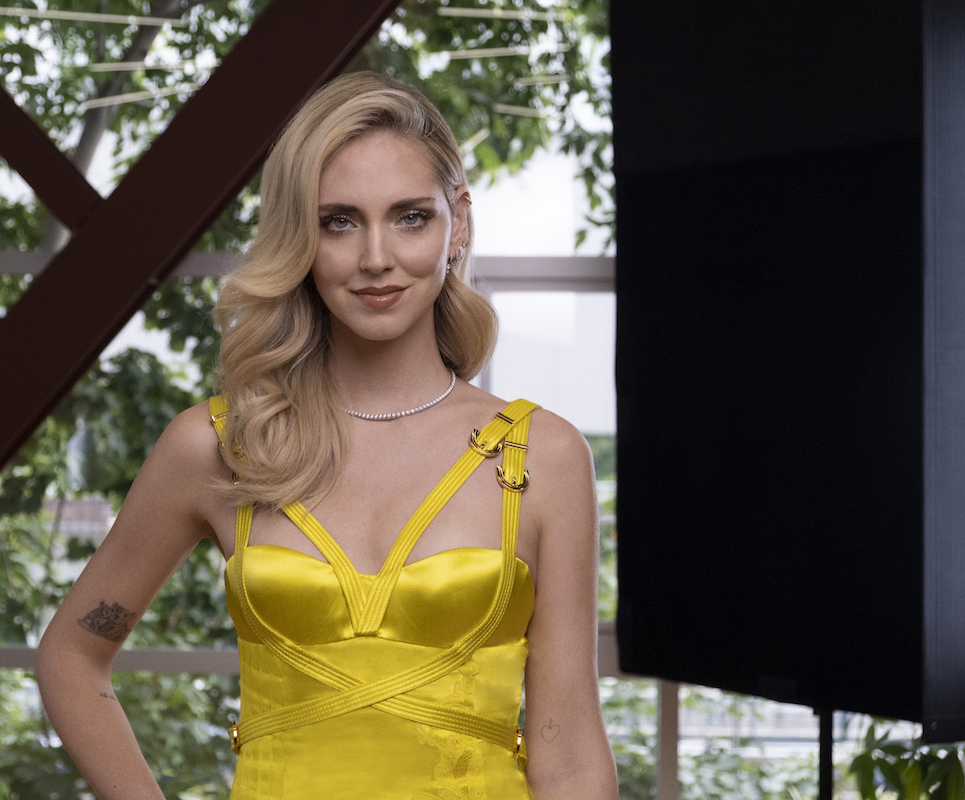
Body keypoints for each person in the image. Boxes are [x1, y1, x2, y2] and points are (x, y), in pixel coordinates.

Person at [36, 70, 618, 800]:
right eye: (339, 221)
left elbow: (570, 754)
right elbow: (71, 654)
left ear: (459, 222)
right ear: (299, 236)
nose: (376, 256)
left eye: (410, 217)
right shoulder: (220, 447)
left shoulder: (543, 455)